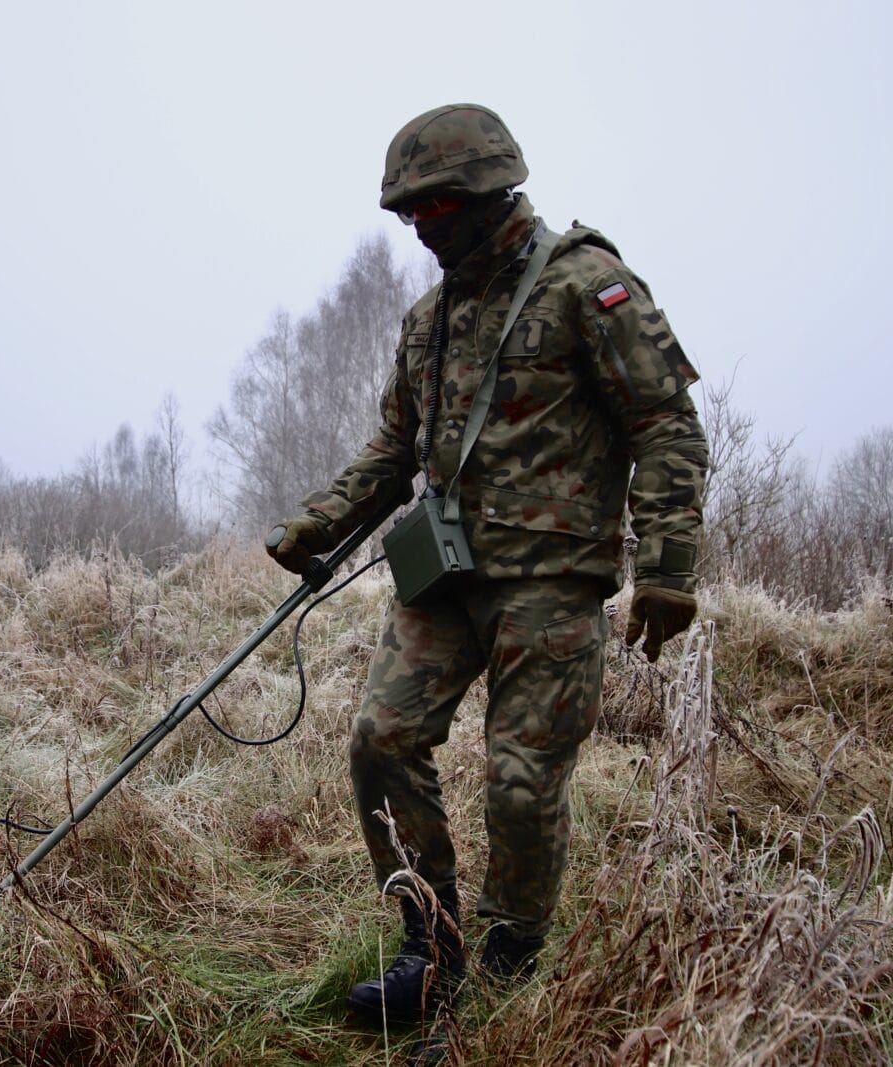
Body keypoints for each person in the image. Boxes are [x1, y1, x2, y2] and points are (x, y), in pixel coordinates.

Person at [266, 104, 709, 1025]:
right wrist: (317, 525)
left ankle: (508, 965)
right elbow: (393, 451)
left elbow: (665, 422)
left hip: (552, 581)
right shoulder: (428, 317)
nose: (420, 230)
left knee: (520, 778)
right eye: (407, 215)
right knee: (380, 741)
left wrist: (668, 565)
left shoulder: (587, 285)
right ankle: (431, 945)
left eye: (433, 209)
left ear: (484, 191)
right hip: (446, 578)